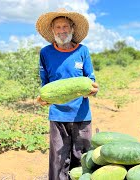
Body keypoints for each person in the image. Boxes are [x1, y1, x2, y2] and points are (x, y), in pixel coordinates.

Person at [35, 8, 99, 180]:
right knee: (58, 159)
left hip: (81, 113)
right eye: (58, 27)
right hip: (57, 114)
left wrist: (93, 90)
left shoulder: (82, 51)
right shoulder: (45, 53)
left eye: (65, 27)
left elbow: (90, 79)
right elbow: (45, 82)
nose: (62, 31)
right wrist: (44, 98)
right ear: (53, 30)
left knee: (83, 157)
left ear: (72, 29)